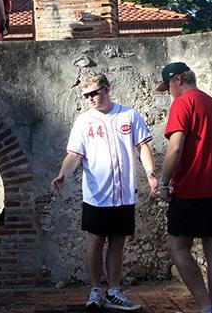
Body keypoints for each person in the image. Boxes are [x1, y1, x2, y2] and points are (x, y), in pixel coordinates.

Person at [52, 74, 158, 311]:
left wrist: (151, 172)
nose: (90, 99)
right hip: (96, 194)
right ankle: (95, 290)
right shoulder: (83, 121)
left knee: (118, 241)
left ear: (107, 88)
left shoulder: (129, 115)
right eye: (86, 95)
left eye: (94, 93)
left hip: (123, 193)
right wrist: (63, 174)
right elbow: (74, 155)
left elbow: (142, 146)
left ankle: (114, 290)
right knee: (95, 240)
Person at [156, 62, 212, 313]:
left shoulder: (182, 102)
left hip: (191, 186)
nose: (168, 91)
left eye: (168, 85)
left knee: (178, 246)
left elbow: (176, 147)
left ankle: (204, 306)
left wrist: (163, 182)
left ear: (178, 79)